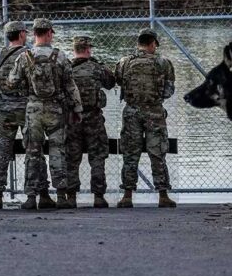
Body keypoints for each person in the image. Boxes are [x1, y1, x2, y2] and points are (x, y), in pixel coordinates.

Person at [8, 18, 83, 210]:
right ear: (49, 33)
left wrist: (26, 87)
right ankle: (61, 195)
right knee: (58, 151)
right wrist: (76, 108)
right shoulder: (60, 56)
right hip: (56, 109)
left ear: (34, 34)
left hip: (33, 109)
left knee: (33, 153)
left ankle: (32, 196)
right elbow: (70, 85)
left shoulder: (25, 56)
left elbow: (12, 82)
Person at [115, 28, 176, 208]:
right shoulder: (163, 63)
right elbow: (169, 90)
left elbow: (119, 81)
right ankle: (163, 195)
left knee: (130, 153)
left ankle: (127, 195)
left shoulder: (124, 62)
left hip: (131, 112)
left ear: (138, 43)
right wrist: (156, 100)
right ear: (152, 44)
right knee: (157, 153)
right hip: (154, 113)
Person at [65, 36, 115, 208]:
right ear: (87, 50)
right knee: (98, 156)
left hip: (72, 118)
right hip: (93, 117)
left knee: (72, 158)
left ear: (74, 50)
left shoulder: (67, 69)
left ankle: (70, 196)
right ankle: (99, 196)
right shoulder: (96, 68)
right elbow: (111, 82)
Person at [0, 21, 28, 209]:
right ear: (21, 34)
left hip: (6, 109)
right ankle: (35, 193)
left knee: (2, 152)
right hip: (27, 108)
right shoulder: (29, 55)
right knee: (33, 151)